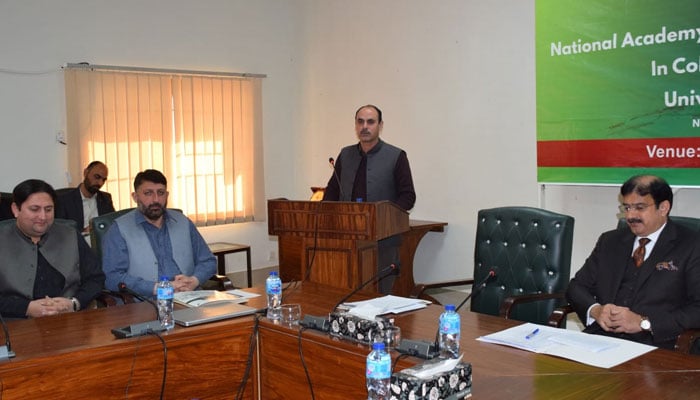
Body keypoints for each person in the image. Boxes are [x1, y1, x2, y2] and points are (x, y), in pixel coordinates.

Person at [566, 175, 700, 350]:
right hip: (601, 340)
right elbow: (576, 287)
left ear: (664, 207)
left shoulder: (692, 245)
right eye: (627, 207)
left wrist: (644, 323)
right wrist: (596, 310)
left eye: (640, 207)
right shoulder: (610, 241)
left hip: (657, 346)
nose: (630, 216)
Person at [322, 104, 416, 293]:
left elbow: (408, 196)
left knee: (379, 296)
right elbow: (332, 190)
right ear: (355, 125)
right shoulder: (346, 154)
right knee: (347, 292)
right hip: (348, 239)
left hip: (383, 240)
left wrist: (385, 218)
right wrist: (326, 216)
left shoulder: (396, 156)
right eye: (360, 122)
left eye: (370, 122)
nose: (365, 126)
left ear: (380, 125)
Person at [101, 169, 216, 298]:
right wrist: (158, 288)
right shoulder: (119, 229)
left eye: (160, 193)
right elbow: (112, 277)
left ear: (167, 195)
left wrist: (194, 281)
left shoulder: (183, 222)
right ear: (135, 197)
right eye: (148, 193)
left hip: (189, 297)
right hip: (145, 303)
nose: (155, 199)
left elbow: (208, 261)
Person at [0, 179, 105, 318]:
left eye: (48, 209)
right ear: (15, 209)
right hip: (15, 324)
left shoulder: (70, 234)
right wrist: (26, 308)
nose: (43, 217)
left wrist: (74, 303)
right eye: (34, 209)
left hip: (69, 321)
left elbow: (95, 278)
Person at [55, 161, 115, 236]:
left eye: (104, 180)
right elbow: (60, 231)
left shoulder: (105, 199)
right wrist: (84, 231)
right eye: (97, 177)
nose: (100, 183)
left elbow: (112, 224)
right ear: (85, 173)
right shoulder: (64, 200)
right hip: (77, 244)